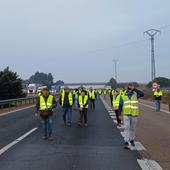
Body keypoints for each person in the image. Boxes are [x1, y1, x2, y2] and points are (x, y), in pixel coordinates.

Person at [120, 83, 144, 149]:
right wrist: (119, 114)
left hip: (134, 114)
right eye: (130, 89)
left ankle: (132, 140)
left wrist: (135, 89)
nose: (131, 90)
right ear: (127, 89)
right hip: (126, 114)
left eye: (132, 89)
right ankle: (126, 141)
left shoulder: (136, 94)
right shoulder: (123, 95)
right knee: (126, 128)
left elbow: (142, 94)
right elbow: (120, 104)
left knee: (132, 128)